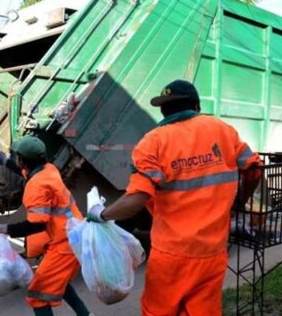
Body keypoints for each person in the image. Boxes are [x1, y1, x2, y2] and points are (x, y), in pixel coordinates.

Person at [88, 79, 262, 316]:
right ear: (197, 105)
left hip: (172, 254)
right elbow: (254, 170)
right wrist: (239, 202)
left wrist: (101, 214)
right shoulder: (223, 130)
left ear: (163, 110)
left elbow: (137, 198)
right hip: (213, 250)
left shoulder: (153, 142)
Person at [0, 136, 91, 316]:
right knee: (60, 283)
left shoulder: (37, 186)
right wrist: (5, 161)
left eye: (17, 156)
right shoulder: (49, 169)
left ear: (22, 160)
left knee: (37, 295)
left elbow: (37, 224)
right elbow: (25, 171)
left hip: (65, 244)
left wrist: (4, 229)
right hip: (73, 234)